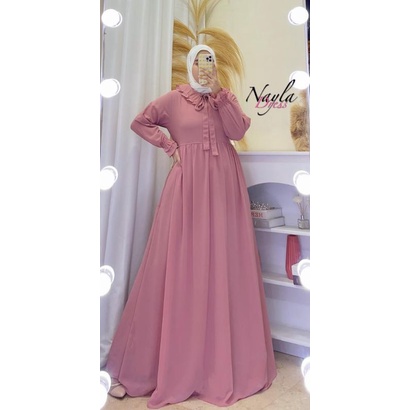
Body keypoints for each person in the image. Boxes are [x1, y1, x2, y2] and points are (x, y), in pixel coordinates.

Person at [104, 44, 277, 409]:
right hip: (188, 187)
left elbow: (237, 131)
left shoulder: (224, 99)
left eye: (209, 60)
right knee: (180, 263)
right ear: (190, 65)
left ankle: (221, 364)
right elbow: (140, 121)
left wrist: (220, 94)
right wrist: (170, 147)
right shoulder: (174, 99)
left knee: (225, 264)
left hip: (225, 185)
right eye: (199, 61)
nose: (204, 67)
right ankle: (162, 364)